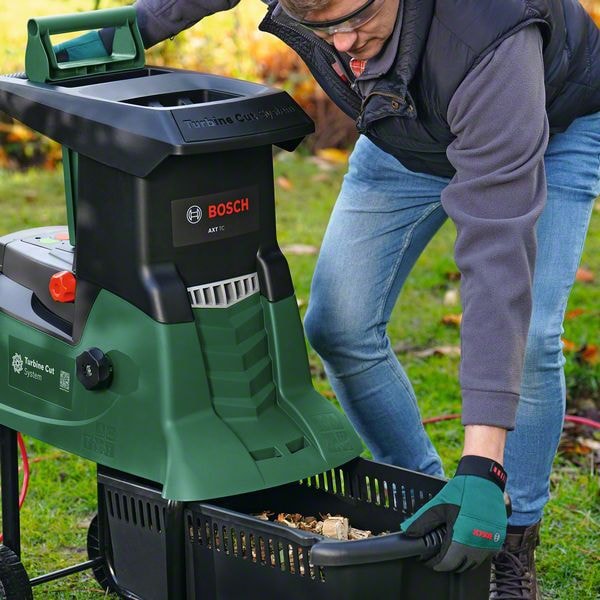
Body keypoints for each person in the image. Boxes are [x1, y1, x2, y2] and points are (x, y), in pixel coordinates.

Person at [56, 0, 600, 597]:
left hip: (550, 125)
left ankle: (509, 536)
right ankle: (426, 502)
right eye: (319, 27)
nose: (340, 44)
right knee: (340, 325)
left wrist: (482, 464)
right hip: (404, 129)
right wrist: (126, 30)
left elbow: (497, 257)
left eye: (355, 20)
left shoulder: (489, 36)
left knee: (532, 336)